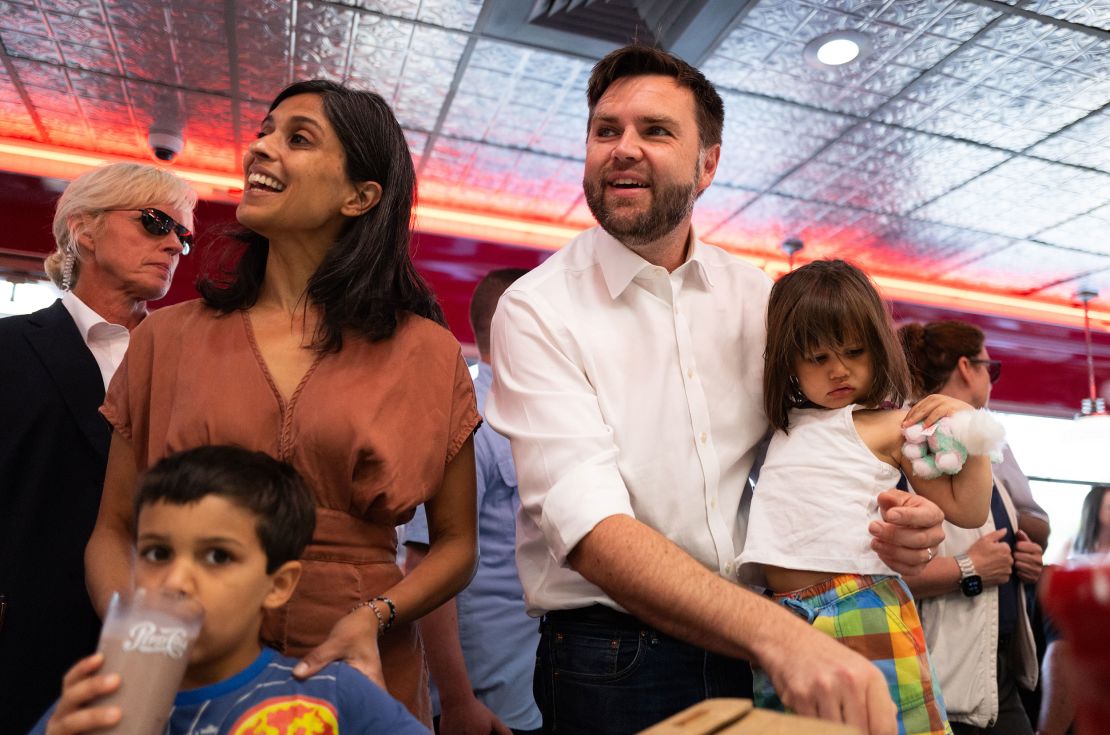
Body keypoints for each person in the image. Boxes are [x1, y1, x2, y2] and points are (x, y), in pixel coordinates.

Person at [485, 44, 946, 735]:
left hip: (767, 637)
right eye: (605, 130)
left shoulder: (757, 296)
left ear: (708, 164)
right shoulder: (537, 309)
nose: (623, 148)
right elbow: (588, 527)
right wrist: (777, 633)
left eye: (655, 130)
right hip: (615, 657)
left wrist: (900, 523)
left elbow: (817, 447)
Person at [84, 80, 481, 724]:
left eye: (297, 138)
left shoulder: (428, 352)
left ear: (361, 196)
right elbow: (112, 529)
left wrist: (374, 617)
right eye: (264, 132)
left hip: (355, 661)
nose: (261, 149)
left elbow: (458, 543)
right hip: (187, 665)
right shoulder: (166, 337)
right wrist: (143, 642)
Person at [739, 260, 997, 735]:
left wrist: (972, 427)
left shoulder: (889, 424)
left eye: (854, 352)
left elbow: (969, 509)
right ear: (788, 362)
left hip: (861, 602)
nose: (839, 369)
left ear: (878, 348)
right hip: (780, 615)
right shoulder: (778, 427)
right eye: (818, 359)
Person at [31, 445, 428, 735]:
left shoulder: (332, 698)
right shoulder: (96, 702)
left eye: (217, 557)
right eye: (157, 552)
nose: (174, 581)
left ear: (277, 585)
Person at [0, 162, 196, 735]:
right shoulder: (8, 351)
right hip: (24, 645)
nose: (174, 244)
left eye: (183, 235)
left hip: (160, 644)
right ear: (83, 229)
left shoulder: (189, 364)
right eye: (156, 222)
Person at [404, 267, 539, 735]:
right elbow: (423, 565)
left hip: (529, 684)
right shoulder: (468, 420)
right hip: (480, 700)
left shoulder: (531, 419)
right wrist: (459, 701)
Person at [899, 320, 1044, 735]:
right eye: (990, 368)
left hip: (997, 674)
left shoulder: (978, 442)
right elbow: (876, 572)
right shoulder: (914, 441)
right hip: (941, 681)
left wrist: (1021, 562)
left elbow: (992, 536)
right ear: (966, 367)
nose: (990, 380)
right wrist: (969, 567)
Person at [1036, 484, 1110, 735]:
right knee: (1062, 641)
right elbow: (1052, 580)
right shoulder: (1072, 546)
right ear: (1095, 510)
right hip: (1073, 614)